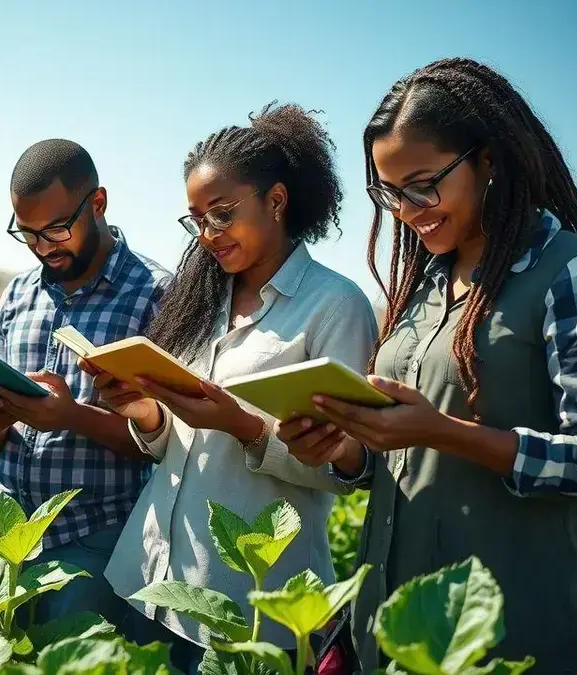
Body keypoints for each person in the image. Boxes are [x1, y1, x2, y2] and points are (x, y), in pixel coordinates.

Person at [279, 58, 577, 674]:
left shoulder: (574, 273)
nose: (406, 209)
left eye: (423, 185)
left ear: (489, 161)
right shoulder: (421, 287)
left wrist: (442, 431)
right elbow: (409, 461)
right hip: (394, 633)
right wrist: (343, 448)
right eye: (388, 192)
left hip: (510, 635)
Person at [87, 105, 377, 673]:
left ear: (276, 200)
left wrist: (241, 424)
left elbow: (347, 469)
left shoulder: (335, 306)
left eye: (221, 215)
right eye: (196, 220)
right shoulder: (202, 297)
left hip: (248, 604)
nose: (207, 235)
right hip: (150, 575)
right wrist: (147, 413)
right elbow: (175, 440)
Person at [0, 139, 170, 624]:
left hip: (93, 541)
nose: (43, 248)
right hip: (2, 534)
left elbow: (168, 443)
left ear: (97, 204)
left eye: (56, 229)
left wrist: (70, 417)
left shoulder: (156, 295)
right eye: (28, 234)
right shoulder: (16, 294)